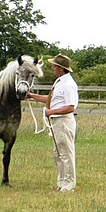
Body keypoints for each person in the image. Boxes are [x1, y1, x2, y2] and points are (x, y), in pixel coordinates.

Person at [27, 53, 78, 192]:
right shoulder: (59, 82)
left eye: (54, 66)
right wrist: (32, 96)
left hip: (63, 122)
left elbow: (70, 107)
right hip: (56, 122)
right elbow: (50, 100)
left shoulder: (68, 85)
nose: (52, 68)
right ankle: (62, 182)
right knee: (58, 153)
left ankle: (68, 185)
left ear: (61, 68)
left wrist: (51, 112)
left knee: (66, 154)